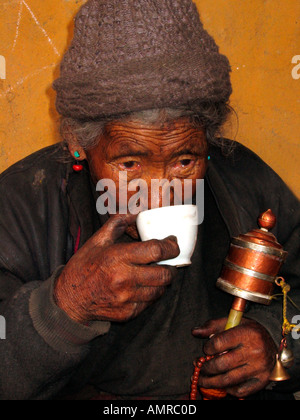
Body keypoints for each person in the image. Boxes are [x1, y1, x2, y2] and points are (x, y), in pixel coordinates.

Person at [0, 0, 299, 400]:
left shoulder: (242, 178)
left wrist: (276, 339)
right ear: (79, 145)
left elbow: (294, 293)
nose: (161, 192)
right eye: (129, 162)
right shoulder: (23, 204)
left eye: (185, 160)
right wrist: (66, 306)